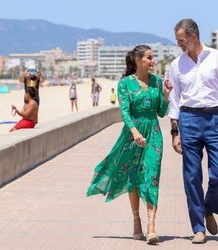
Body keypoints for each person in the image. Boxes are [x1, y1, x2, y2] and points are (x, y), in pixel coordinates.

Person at [86, 45, 172, 244]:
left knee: (151, 175)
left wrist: (166, 95)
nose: (153, 61)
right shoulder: (125, 83)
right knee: (133, 177)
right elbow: (125, 112)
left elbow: (161, 112)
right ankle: (136, 220)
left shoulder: (157, 82)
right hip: (132, 134)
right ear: (138, 60)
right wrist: (134, 132)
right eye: (149, 57)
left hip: (153, 133)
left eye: (153, 57)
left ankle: (151, 226)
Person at [168, 19, 218, 244]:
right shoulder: (175, 65)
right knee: (191, 177)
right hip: (188, 119)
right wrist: (174, 132)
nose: (179, 44)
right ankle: (198, 227)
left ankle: (208, 206)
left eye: (181, 40)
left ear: (193, 37)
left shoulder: (217, 58)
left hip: (216, 117)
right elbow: (174, 99)